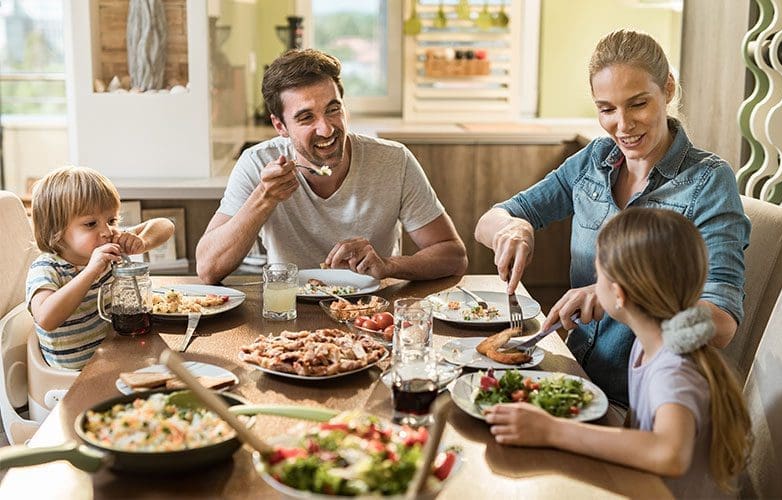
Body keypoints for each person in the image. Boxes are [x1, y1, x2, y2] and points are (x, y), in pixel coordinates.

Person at [474, 29, 749, 408]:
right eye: (606, 109)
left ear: (667, 89)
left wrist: (623, 297)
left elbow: (720, 324)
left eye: (638, 104)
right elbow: (489, 220)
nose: (623, 125)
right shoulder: (593, 162)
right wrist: (513, 227)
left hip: (645, 403)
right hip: (574, 380)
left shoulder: (707, 182)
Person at [485, 208, 751, 499]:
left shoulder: (673, 369)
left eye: (597, 277)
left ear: (619, 294)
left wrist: (552, 430)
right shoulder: (651, 343)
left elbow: (669, 453)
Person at [197, 49, 467, 283]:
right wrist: (263, 199)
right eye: (305, 117)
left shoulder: (394, 160)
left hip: (371, 313)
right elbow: (208, 269)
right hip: (290, 310)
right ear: (280, 126)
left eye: (332, 109)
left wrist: (388, 265)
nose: (326, 129)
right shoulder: (257, 163)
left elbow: (453, 256)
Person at [27, 166, 174, 370]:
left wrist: (141, 241)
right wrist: (90, 271)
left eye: (111, 220)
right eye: (90, 223)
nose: (106, 230)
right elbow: (45, 318)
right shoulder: (47, 268)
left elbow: (165, 225)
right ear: (56, 230)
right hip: (77, 377)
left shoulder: (105, 242)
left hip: (114, 357)